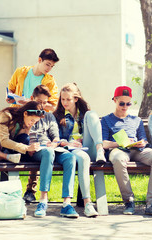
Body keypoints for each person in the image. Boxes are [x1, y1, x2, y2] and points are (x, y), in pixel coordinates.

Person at [101, 86, 152, 216]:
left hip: (137, 150)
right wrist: (120, 143)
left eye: (128, 103)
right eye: (122, 103)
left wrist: (142, 142)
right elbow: (103, 143)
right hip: (118, 150)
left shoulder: (136, 120)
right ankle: (129, 200)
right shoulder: (106, 120)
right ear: (115, 100)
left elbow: (144, 139)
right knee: (118, 159)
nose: (125, 106)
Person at [6, 48, 60, 203]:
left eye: (51, 66)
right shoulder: (21, 72)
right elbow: (10, 89)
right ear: (39, 60)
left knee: (35, 146)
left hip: (36, 121)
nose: (48, 68)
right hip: (18, 118)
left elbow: (53, 105)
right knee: (13, 147)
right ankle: (8, 191)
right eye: (47, 64)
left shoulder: (49, 81)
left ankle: (30, 190)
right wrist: (11, 98)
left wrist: (37, 104)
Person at [24, 85, 79, 218]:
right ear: (32, 99)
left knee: (70, 158)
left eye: (44, 102)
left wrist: (54, 144)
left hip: (49, 148)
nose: (42, 106)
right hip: (34, 150)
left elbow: (56, 137)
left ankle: (66, 204)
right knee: (48, 153)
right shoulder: (25, 114)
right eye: (39, 102)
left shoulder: (49, 116)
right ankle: (43, 201)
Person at [53, 83, 105, 217]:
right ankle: (88, 204)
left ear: (76, 99)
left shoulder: (84, 115)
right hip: (72, 149)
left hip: (89, 146)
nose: (64, 102)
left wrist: (85, 140)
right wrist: (69, 142)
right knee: (84, 158)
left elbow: (92, 131)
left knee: (92, 114)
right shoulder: (58, 115)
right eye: (62, 99)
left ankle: (100, 149)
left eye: (68, 99)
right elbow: (56, 139)